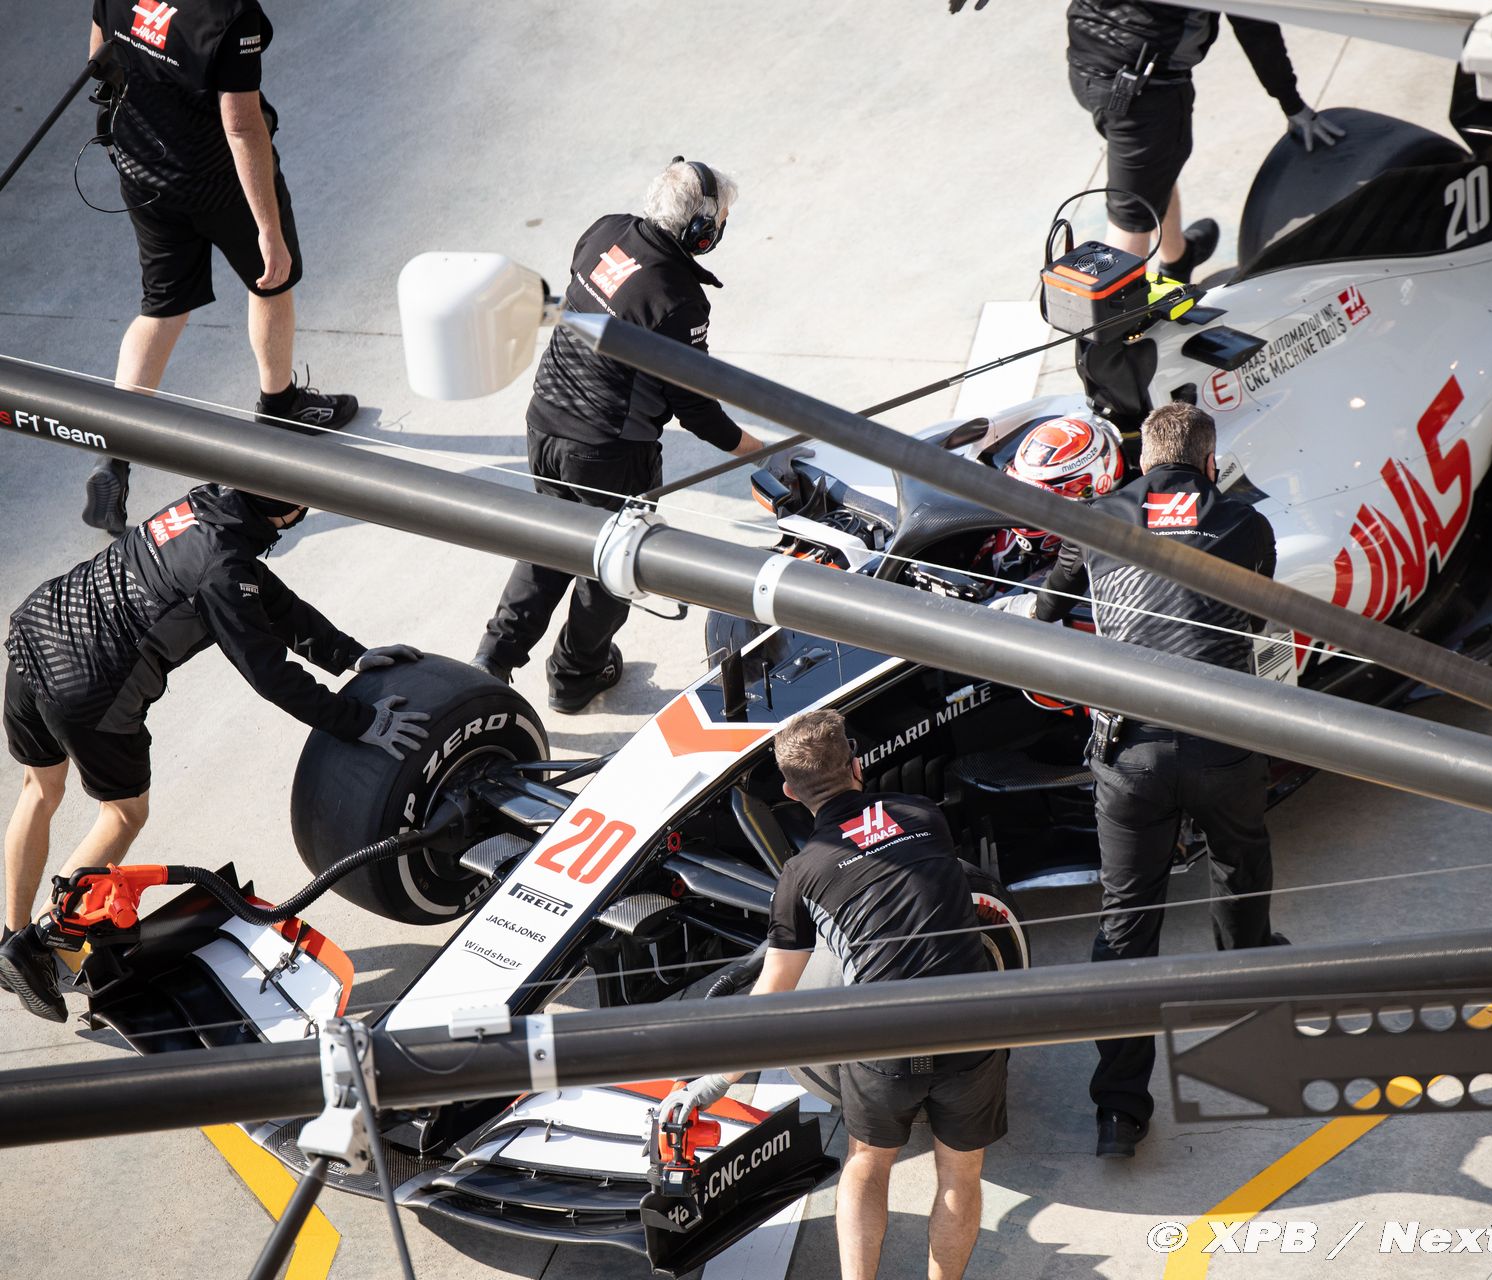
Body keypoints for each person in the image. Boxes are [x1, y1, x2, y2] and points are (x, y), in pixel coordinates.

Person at [0, 485, 427, 1021]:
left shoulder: (207, 503)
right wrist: (361, 721)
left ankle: (11, 935)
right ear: (289, 511)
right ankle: (38, 945)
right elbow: (270, 674)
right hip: (88, 689)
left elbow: (268, 600)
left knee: (40, 788)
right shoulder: (223, 569)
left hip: (38, 633)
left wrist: (350, 655)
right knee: (123, 813)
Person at [659, 710, 1005, 1280]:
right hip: (969, 1030)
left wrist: (714, 1083)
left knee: (867, 1163)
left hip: (882, 1047)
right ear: (857, 766)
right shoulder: (924, 815)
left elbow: (771, 995)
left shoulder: (800, 873)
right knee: (960, 1175)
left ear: (790, 792)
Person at [1026, 401, 1287, 1157]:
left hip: (1130, 752)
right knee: (1240, 863)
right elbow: (1254, 618)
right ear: (1210, 462)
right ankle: (1247, 1005)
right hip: (1224, 742)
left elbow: (1046, 611)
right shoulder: (1247, 524)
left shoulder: (1093, 519)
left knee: (1127, 921)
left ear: (1141, 461)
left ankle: (1119, 1112)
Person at [472, 158, 770, 714]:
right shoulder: (678, 299)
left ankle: (492, 658)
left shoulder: (605, 231)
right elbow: (694, 407)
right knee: (613, 566)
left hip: (545, 421)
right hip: (609, 451)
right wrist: (759, 452)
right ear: (699, 231)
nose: (724, 227)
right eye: (722, 219)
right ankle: (575, 675)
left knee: (548, 544)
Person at [82, 1, 360, 538]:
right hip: (219, 181)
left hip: (143, 170)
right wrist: (269, 231)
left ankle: (113, 457)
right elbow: (242, 127)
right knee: (271, 280)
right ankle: (280, 406)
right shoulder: (230, 15)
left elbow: (100, 54)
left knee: (162, 307)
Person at [1065, 0, 1343, 282]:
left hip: (1088, 60)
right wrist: (1291, 102)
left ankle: (1177, 260)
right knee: (1128, 222)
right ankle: (1117, 310)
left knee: (1155, 169)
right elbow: (1253, 24)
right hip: (1143, 91)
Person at [973, 414, 1126, 582]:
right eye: (1022, 490)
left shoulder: (1106, 565)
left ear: (1096, 488)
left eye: (1043, 499)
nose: (1026, 506)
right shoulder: (1002, 538)